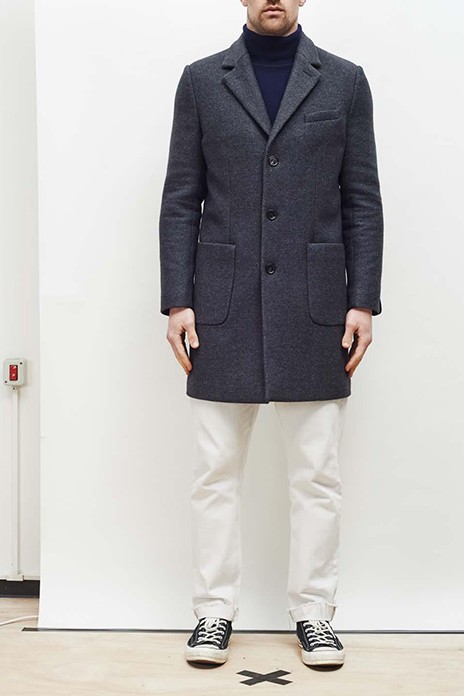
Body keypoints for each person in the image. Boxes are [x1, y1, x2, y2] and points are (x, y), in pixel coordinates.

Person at [158, 0, 384, 669]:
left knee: (317, 475)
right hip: (221, 306)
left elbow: (362, 199)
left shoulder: (344, 81)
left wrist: (363, 301)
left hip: (316, 306)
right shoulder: (202, 81)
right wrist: (177, 301)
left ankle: (315, 612)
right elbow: (181, 199)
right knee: (214, 473)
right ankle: (213, 612)